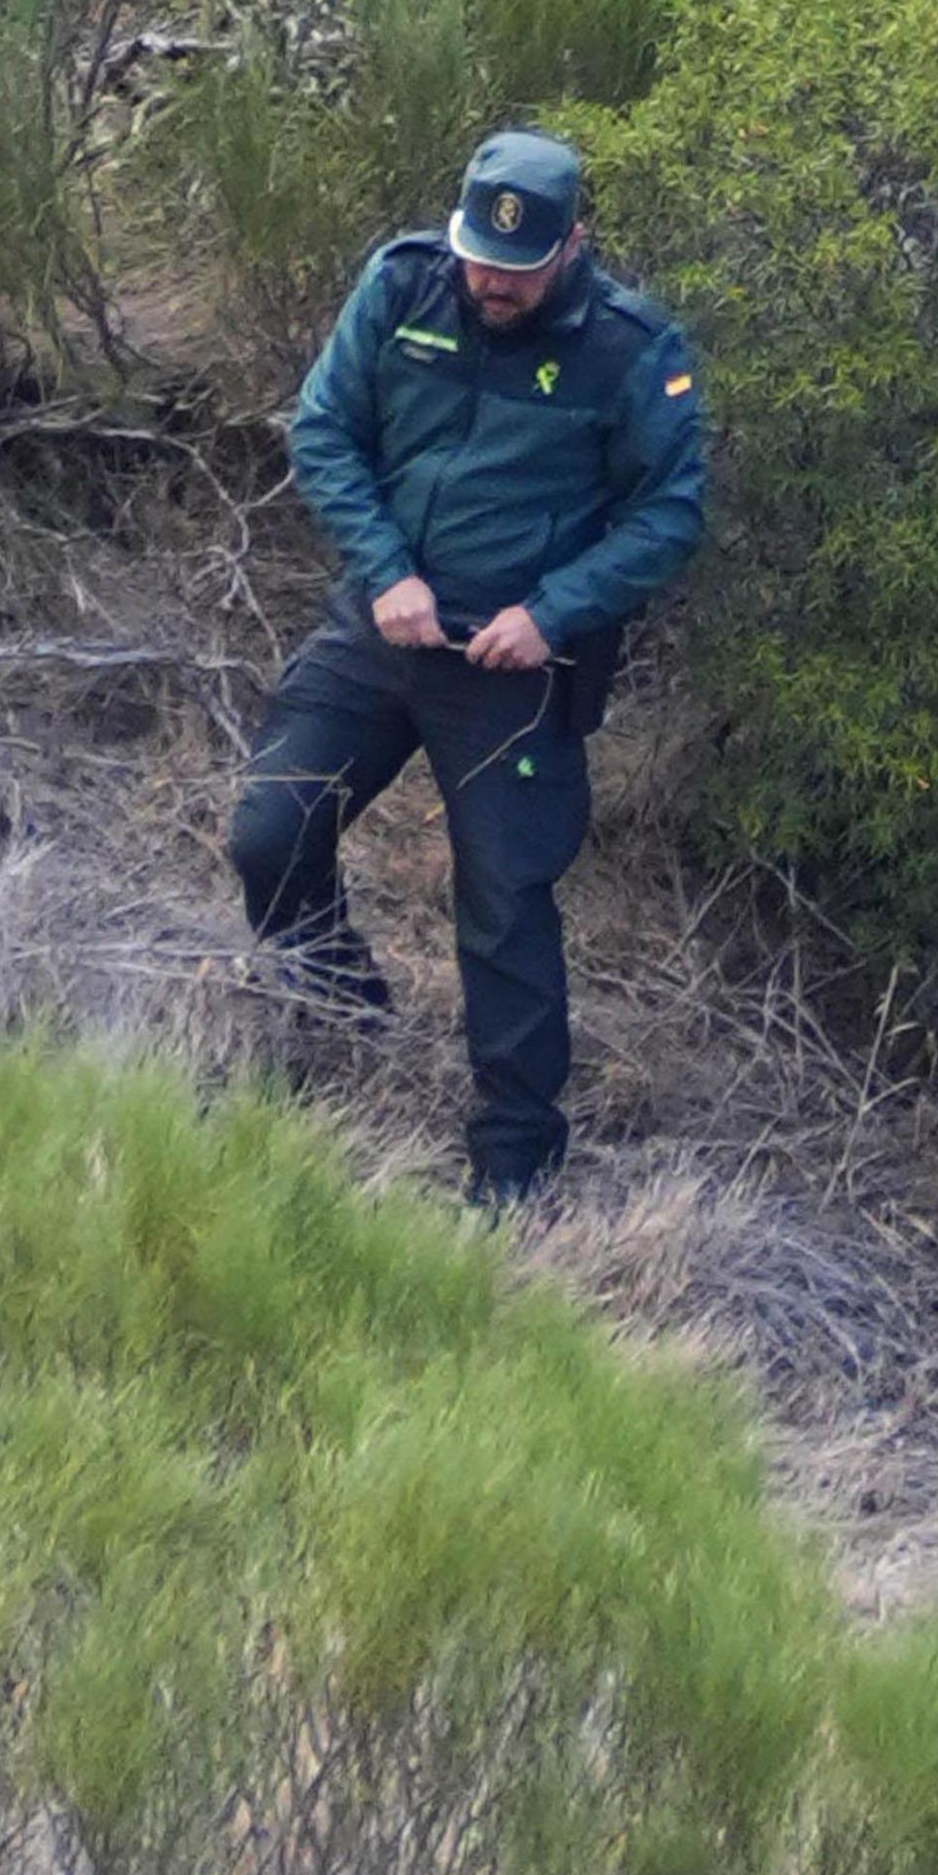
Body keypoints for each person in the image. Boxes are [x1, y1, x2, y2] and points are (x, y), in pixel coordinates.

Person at [227, 129, 708, 1208]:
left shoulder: (631, 349)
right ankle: (339, 1003)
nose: (489, 283)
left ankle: (514, 1166)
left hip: (511, 668)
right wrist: (385, 569)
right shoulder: (404, 287)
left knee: (505, 907)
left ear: (572, 246)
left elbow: (670, 514)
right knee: (269, 832)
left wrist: (552, 614)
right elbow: (324, 431)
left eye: (518, 268)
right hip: (381, 630)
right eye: (478, 260)